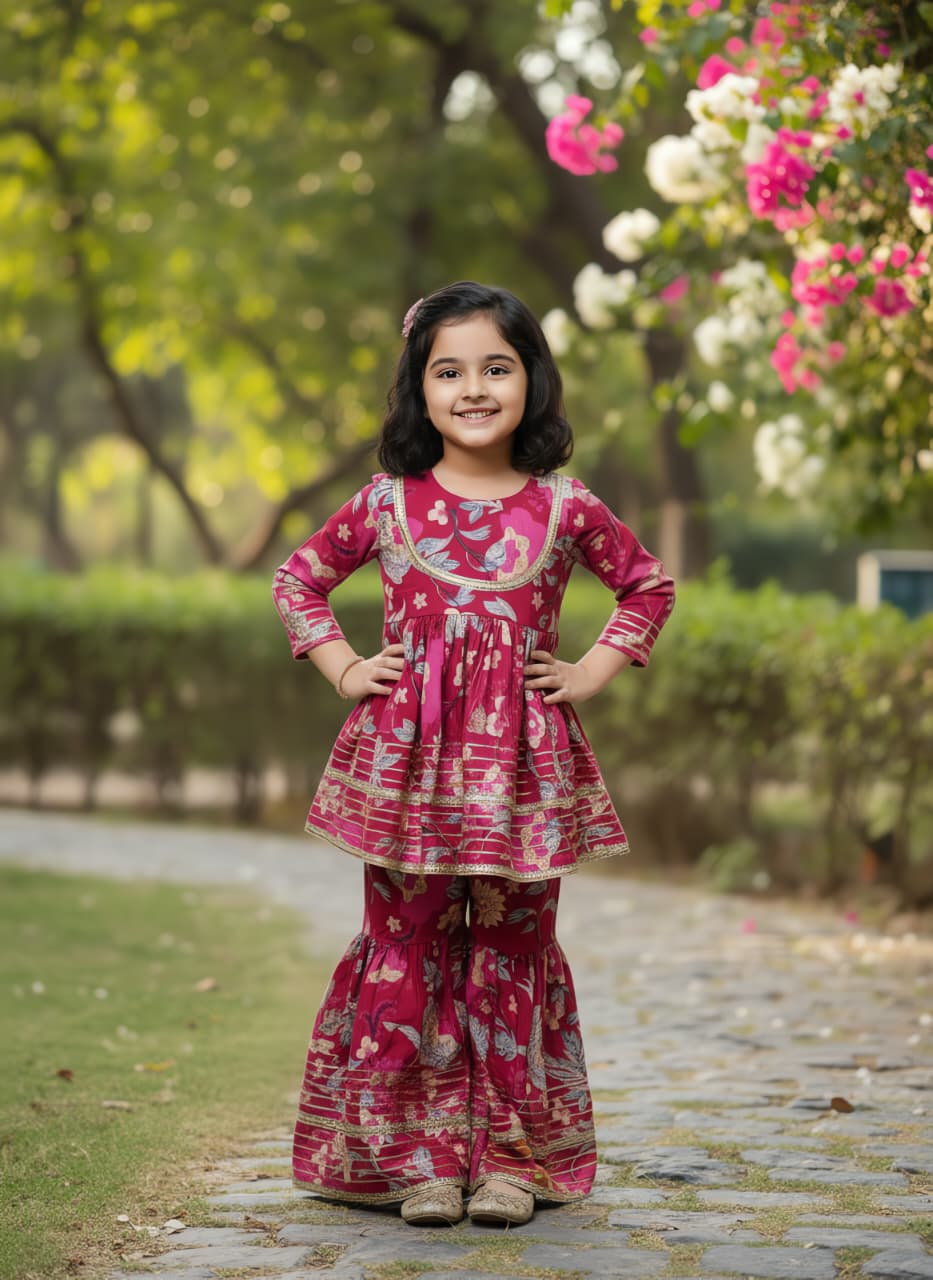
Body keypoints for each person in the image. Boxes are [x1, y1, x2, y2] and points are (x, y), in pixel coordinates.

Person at [271, 281, 675, 1228]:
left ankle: (505, 1161)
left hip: (524, 783)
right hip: (405, 776)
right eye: (448, 371)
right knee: (405, 947)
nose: (474, 389)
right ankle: (416, 1160)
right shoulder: (385, 502)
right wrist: (344, 670)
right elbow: (299, 579)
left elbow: (646, 588)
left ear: (531, 379)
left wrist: (589, 673)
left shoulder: (566, 507)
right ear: (420, 389)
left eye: (497, 367)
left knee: (509, 951)